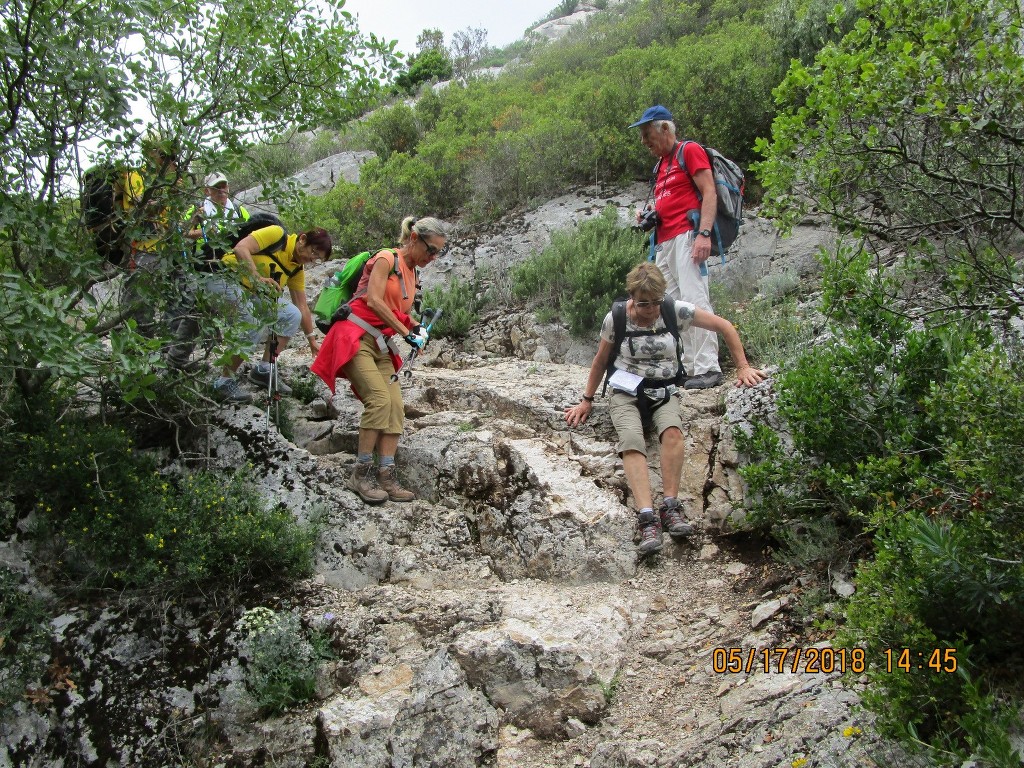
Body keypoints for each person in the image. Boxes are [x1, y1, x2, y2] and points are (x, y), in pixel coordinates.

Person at [564, 262, 766, 556]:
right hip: (625, 392)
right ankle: (647, 518)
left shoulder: (674, 310)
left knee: (672, 433)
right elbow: (600, 360)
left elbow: (724, 326)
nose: (651, 309)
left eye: (656, 302)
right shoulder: (616, 318)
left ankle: (670, 507)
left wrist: (743, 367)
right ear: (632, 297)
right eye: (644, 303)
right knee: (632, 442)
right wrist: (587, 399)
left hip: (664, 390)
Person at [310, 216, 448, 505]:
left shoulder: (414, 274)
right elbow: (373, 300)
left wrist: (414, 328)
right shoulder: (385, 259)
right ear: (414, 238)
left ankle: (386, 475)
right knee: (378, 400)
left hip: (380, 344)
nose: (433, 257)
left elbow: (397, 310)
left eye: (438, 253)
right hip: (354, 337)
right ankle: (360, 474)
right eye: (431, 250)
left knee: (396, 406)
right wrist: (405, 333)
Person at [630, 104, 723, 390]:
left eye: (648, 134)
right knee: (669, 306)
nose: (645, 142)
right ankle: (690, 367)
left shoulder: (689, 151)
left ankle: (708, 366)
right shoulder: (660, 166)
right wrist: (648, 212)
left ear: (665, 129)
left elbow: (709, 191)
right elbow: (666, 200)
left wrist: (704, 234)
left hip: (687, 236)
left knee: (695, 299)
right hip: (664, 241)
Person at [210, 222, 332, 403]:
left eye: (317, 259)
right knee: (250, 323)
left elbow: (302, 305)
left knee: (291, 314)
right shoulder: (276, 235)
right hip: (224, 279)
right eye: (313, 252)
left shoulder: (296, 267)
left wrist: (312, 340)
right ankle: (223, 381)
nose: (311, 259)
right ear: (303, 239)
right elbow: (241, 249)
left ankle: (264, 369)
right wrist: (257, 278)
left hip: (250, 292)